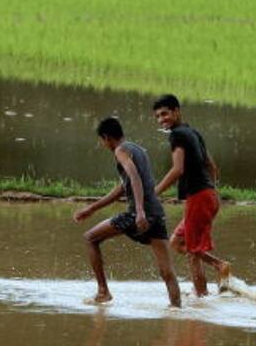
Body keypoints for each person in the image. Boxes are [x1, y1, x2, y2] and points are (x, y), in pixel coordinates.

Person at [73, 117, 181, 307]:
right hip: (156, 213)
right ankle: (177, 311)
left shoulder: (120, 150)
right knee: (167, 272)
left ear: (106, 138)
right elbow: (124, 187)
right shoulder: (138, 149)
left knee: (90, 238)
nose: (102, 144)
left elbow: (134, 176)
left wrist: (139, 211)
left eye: (101, 140)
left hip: (139, 214)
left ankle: (103, 292)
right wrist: (92, 208)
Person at [152, 94, 231, 296]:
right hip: (208, 196)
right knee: (178, 243)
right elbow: (212, 166)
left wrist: (153, 193)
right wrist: (210, 192)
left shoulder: (177, 135)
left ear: (177, 111)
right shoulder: (192, 131)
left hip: (200, 198)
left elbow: (177, 170)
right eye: (158, 117)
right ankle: (218, 266)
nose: (162, 120)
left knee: (193, 252)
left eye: (165, 114)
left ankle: (201, 298)